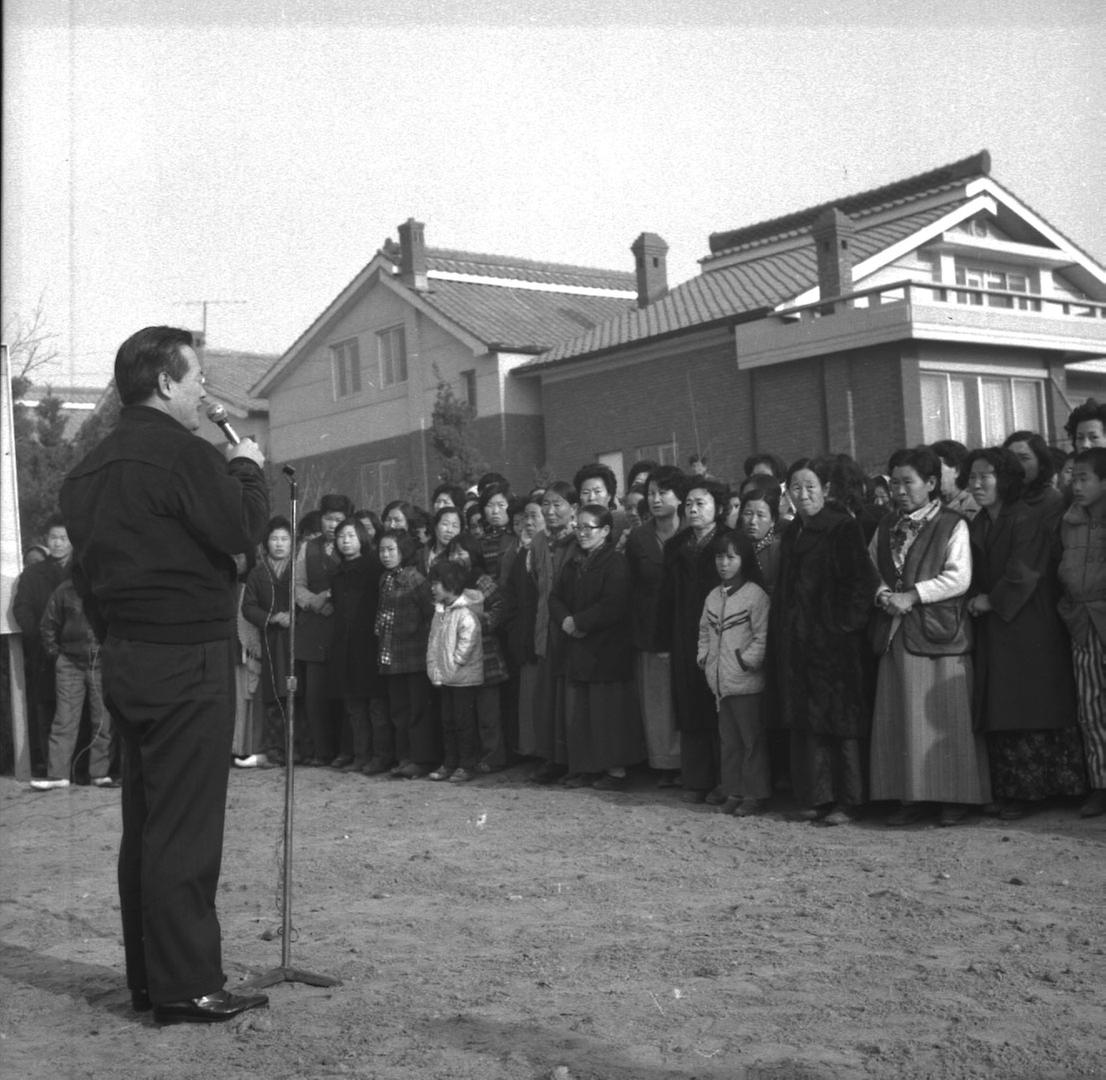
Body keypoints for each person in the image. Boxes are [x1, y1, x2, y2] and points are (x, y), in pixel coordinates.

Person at [59, 325, 269, 1024]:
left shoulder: (84, 474)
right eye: (197, 376)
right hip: (190, 659)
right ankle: (186, 987)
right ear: (166, 383)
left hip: (125, 655)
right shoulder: (187, 456)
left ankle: (151, 977)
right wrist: (245, 469)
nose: (205, 387)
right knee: (185, 827)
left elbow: (84, 576)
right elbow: (241, 541)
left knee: (146, 822)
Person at [867, 447, 989, 828]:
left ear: (932, 483)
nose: (900, 490)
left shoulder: (953, 523)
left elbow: (959, 578)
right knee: (900, 717)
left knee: (945, 719)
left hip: (939, 633)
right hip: (895, 631)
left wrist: (913, 594)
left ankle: (955, 799)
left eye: (909, 482)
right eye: (895, 483)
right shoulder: (886, 525)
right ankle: (911, 796)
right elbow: (869, 567)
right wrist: (883, 594)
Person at [963, 447, 1084, 820]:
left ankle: (1049, 789)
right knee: (1005, 701)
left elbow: (1024, 573)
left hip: (1030, 622)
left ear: (1006, 480)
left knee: (1033, 699)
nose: (977, 484)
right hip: (997, 626)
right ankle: (1017, 790)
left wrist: (989, 601)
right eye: (972, 477)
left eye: (986, 476)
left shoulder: (1025, 519)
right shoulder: (978, 522)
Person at [771, 457, 877, 826]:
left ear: (826, 489)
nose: (802, 495)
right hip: (798, 643)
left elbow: (862, 583)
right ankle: (817, 796)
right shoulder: (790, 531)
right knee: (808, 723)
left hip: (834, 646)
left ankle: (847, 801)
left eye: (810, 487)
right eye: (795, 488)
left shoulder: (841, 527)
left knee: (839, 722)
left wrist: (841, 626)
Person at [549, 504, 643, 789]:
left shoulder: (615, 562)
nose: (582, 533)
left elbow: (614, 605)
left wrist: (579, 622)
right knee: (582, 712)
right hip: (578, 647)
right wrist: (565, 620)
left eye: (588, 528)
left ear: (605, 531)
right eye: (578, 527)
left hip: (607, 648)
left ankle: (615, 771)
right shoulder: (575, 561)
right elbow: (555, 597)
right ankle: (587, 768)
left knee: (608, 712)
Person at [661, 476, 729, 804]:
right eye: (688, 503)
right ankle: (696, 779)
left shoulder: (729, 543)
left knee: (718, 706)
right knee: (689, 705)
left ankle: (723, 781)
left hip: (721, 634)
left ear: (718, 507)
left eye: (701, 503)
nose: (693, 509)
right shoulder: (676, 545)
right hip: (683, 632)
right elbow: (665, 595)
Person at [697, 530, 770, 817]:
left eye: (731, 557)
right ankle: (733, 790)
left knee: (751, 741)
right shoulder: (713, 596)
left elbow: (762, 636)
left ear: (744, 559)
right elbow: (704, 631)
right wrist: (704, 658)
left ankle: (755, 793)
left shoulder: (755, 595)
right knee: (729, 742)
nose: (723, 563)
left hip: (745, 682)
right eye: (719, 557)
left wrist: (746, 662)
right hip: (720, 682)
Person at [624, 465, 683, 786]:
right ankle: (664, 765)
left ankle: (693, 763)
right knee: (658, 700)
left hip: (687, 630)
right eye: (652, 494)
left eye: (663, 492)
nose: (656, 499)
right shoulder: (638, 537)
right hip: (650, 629)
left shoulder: (692, 530)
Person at [1057, 447, 1106, 818]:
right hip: (1082, 623)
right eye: (1073, 477)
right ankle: (1101, 785)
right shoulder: (1068, 520)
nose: (1076, 485)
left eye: (1084, 478)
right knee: (1090, 709)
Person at [31, 577, 116, 790]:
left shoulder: (105, 586)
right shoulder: (64, 590)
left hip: (101, 660)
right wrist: (56, 655)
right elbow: (48, 624)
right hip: (69, 661)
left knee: (102, 719)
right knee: (65, 719)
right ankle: (58, 775)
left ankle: (100, 773)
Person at [13, 516, 74, 776]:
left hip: (79, 653)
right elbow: (22, 608)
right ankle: (51, 768)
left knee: (81, 713)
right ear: (46, 541)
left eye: (63, 538)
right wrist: (37, 639)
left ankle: (83, 768)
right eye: (53, 538)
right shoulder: (33, 574)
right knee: (47, 709)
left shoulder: (85, 570)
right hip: (44, 654)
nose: (58, 543)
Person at [327, 517, 387, 773]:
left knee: (375, 705)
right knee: (353, 706)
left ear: (361, 537)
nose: (346, 541)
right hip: (345, 645)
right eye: (341, 536)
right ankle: (360, 755)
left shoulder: (374, 567)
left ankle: (380, 756)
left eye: (351, 535)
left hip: (370, 643)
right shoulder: (337, 573)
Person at [295, 493, 350, 765]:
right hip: (314, 628)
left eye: (338, 519)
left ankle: (345, 752)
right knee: (314, 696)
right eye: (328, 518)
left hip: (343, 627)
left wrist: (333, 600)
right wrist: (315, 602)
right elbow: (298, 585)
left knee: (342, 693)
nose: (332, 524)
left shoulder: (352, 545)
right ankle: (322, 751)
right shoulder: (308, 547)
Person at [376, 529, 436, 778]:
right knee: (399, 710)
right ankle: (404, 757)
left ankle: (421, 759)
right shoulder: (384, 579)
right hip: (391, 655)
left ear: (404, 551)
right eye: (382, 550)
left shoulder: (416, 579)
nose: (386, 555)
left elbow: (430, 614)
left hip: (414, 654)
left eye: (391, 550)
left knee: (418, 710)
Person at [426, 558, 484, 783]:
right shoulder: (439, 612)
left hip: (463, 680)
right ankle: (450, 763)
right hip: (446, 678)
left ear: (450, 583)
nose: (433, 588)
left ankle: (466, 764)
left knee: (464, 724)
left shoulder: (466, 613)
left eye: (437, 583)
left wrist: (451, 665)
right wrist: (436, 669)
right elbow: (433, 642)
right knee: (448, 723)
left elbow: (466, 645)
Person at [242, 517, 294, 766]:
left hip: (296, 639)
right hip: (271, 640)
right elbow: (248, 607)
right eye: (274, 539)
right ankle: (275, 750)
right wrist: (271, 618)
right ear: (266, 543)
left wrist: (293, 616)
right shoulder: (258, 572)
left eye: (284, 539)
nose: (279, 544)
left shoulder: (298, 569)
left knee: (296, 695)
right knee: (274, 695)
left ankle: (300, 749)